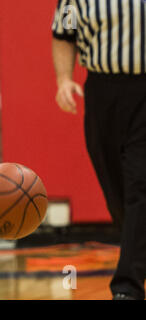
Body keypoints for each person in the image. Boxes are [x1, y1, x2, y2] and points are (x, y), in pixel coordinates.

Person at [52, 0, 146, 299]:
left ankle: (127, 288)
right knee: (116, 193)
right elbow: (65, 33)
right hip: (102, 92)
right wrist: (64, 79)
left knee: (140, 185)